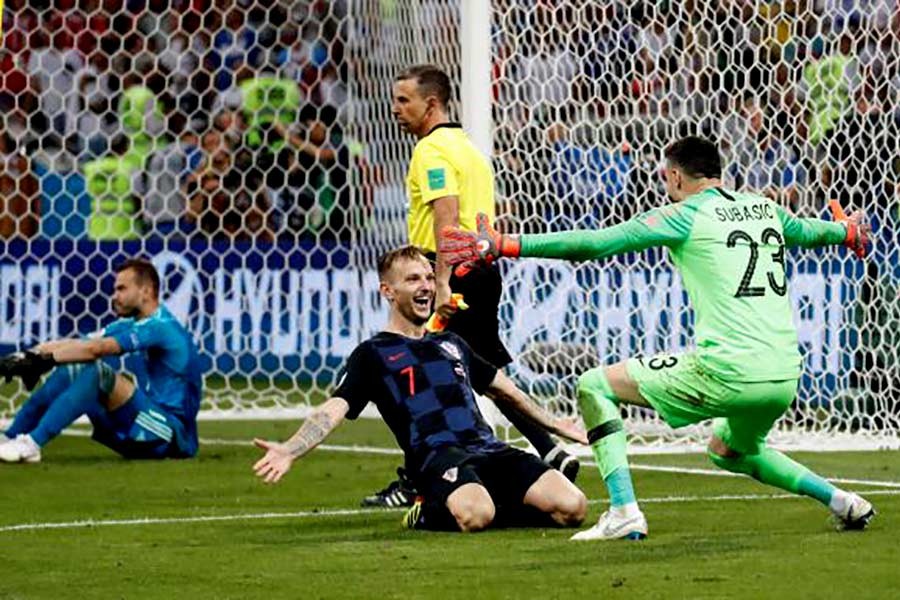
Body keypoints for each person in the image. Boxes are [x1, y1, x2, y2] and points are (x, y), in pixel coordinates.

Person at [440, 136, 875, 541]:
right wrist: (849, 232)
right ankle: (843, 501)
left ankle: (624, 511)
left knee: (594, 385)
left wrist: (506, 244)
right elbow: (813, 230)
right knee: (730, 449)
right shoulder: (764, 209)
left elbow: (595, 243)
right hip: (782, 376)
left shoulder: (684, 214)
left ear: (674, 177)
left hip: (730, 370)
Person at [361, 64, 580, 508]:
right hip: (483, 267)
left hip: (448, 269)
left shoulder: (432, 151)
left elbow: (446, 215)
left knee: (426, 375)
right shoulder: (469, 149)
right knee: (483, 371)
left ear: (432, 103)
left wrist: (440, 281)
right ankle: (549, 448)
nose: (395, 109)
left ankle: (417, 480)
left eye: (404, 100)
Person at [252, 246, 588, 532]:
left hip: (488, 449)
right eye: (413, 279)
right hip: (437, 456)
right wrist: (290, 449)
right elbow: (335, 408)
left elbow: (507, 392)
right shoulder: (373, 354)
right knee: (475, 516)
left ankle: (484, 500)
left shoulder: (453, 343)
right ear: (388, 291)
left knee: (573, 507)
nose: (426, 286)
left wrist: (555, 425)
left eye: (429, 277)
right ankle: (425, 509)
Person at [0, 259, 202, 463]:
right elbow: (78, 343)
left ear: (146, 291)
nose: (115, 296)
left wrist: (47, 360)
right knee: (73, 368)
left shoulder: (160, 326)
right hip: (144, 424)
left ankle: (32, 445)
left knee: (97, 374)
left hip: (171, 435)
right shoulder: (134, 323)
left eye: (122, 289)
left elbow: (96, 349)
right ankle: (8, 437)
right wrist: (28, 355)